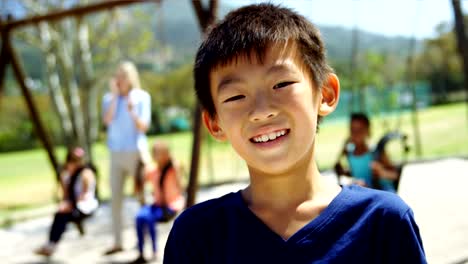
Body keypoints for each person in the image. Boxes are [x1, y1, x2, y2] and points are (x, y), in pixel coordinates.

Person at [164, 4, 426, 263]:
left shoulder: (383, 223)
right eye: (236, 96)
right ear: (214, 124)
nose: (262, 111)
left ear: (326, 93)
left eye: (282, 84)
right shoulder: (197, 236)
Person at [102, 61, 151, 255]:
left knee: (142, 197)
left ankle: (145, 239)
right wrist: (115, 97)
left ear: (131, 77)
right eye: (118, 75)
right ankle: (118, 241)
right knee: (115, 200)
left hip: (135, 152)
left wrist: (132, 111)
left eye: (123, 75)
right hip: (115, 153)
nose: (120, 78)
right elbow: (107, 121)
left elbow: (143, 127)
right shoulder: (108, 99)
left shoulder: (142, 97)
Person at [34, 147, 98, 257]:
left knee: (61, 216)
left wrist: (71, 204)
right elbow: (66, 195)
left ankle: (51, 245)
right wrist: (65, 202)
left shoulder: (85, 173)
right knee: (60, 214)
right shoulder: (67, 175)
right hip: (74, 205)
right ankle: (51, 244)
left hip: (85, 205)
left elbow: (85, 194)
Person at [131, 141, 185, 264]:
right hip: (157, 206)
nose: (157, 156)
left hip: (171, 206)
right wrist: (140, 167)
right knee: (140, 217)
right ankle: (141, 252)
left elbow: (178, 174)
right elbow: (139, 185)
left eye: (161, 153)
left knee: (149, 218)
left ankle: (154, 250)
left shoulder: (171, 168)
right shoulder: (153, 170)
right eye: (155, 153)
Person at [334, 113, 399, 192]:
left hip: (383, 193)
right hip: (364, 192)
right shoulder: (349, 152)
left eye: (360, 130)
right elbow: (342, 170)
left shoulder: (375, 151)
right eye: (353, 130)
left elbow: (395, 175)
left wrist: (382, 172)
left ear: (368, 131)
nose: (356, 134)